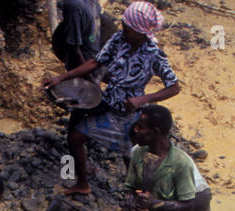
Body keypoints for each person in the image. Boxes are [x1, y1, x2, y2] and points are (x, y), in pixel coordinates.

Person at [43, 1, 181, 197]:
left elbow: (174, 87)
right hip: (108, 103)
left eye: (128, 29)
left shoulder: (155, 55)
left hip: (130, 112)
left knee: (131, 157)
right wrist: (63, 77)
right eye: (123, 27)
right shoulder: (118, 40)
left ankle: (137, 197)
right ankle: (83, 184)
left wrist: (143, 99)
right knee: (75, 137)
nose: (123, 31)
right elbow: (95, 62)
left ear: (141, 32)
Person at [52, 0, 101, 71]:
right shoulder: (74, 6)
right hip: (82, 63)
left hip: (94, 57)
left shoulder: (93, 3)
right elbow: (74, 48)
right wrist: (89, 75)